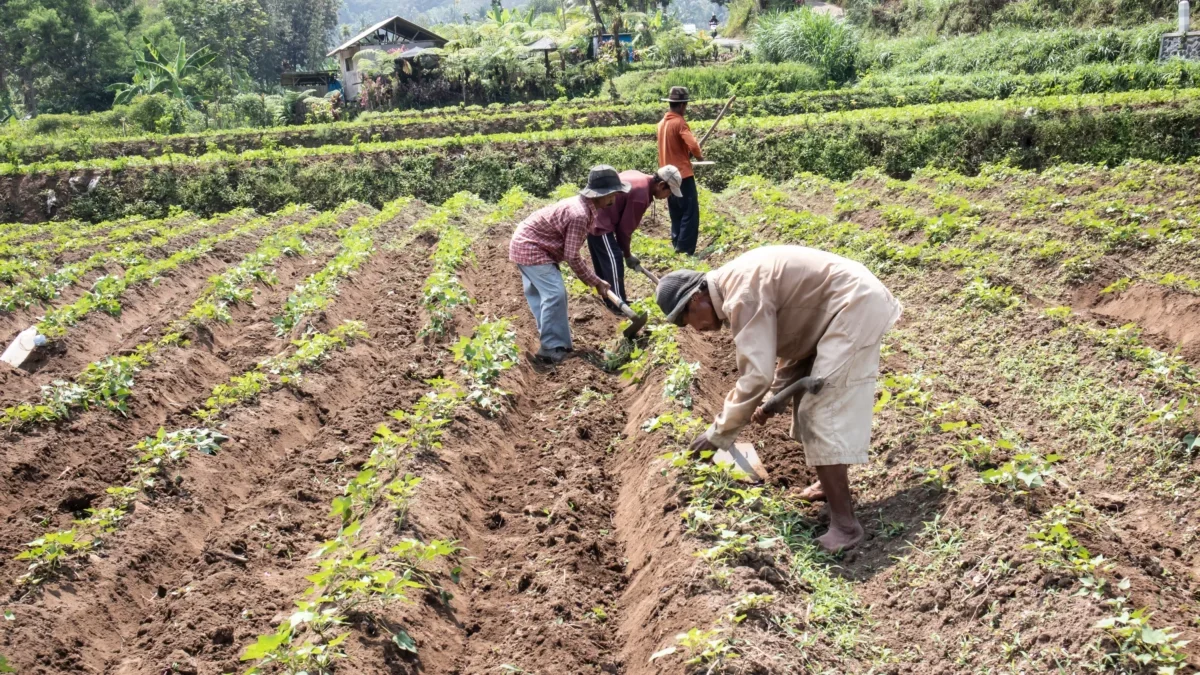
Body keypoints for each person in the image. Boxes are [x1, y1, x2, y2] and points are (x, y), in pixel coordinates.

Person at [654, 245, 902, 552]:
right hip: (835, 310)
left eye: (687, 320)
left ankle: (846, 526)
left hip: (853, 306)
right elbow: (792, 339)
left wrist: (718, 434)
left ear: (696, 299)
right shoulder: (737, 284)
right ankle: (829, 485)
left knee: (821, 409)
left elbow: (756, 374)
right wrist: (774, 397)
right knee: (810, 405)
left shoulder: (741, 294)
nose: (696, 329)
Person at [509, 165, 629, 364]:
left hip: (528, 242)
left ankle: (551, 342)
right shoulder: (580, 214)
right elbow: (572, 255)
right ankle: (551, 348)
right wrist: (595, 281)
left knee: (545, 296)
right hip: (531, 247)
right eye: (612, 195)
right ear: (601, 194)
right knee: (554, 294)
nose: (614, 200)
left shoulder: (584, 208)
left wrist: (594, 280)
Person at [589, 165, 683, 312]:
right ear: (661, 185)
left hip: (595, 218)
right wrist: (627, 255)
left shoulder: (639, 176)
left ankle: (610, 301)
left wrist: (625, 252)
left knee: (606, 263)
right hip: (600, 223)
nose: (667, 197)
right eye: (669, 192)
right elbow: (624, 231)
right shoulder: (641, 196)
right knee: (614, 261)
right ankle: (618, 307)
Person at [657, 86, 704, 256]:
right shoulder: (680, 123)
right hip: (682, 175)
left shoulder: (661, 124)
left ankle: (677, 245)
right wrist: (699, 156)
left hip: (666, 175)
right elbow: (692, 145)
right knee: (689, 213)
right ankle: (684, 251)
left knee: (676, 212)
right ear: (682, 105)